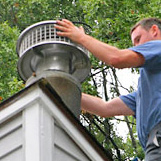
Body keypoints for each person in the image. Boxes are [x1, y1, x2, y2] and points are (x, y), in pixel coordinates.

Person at [55, 18, 161, 161]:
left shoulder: (158, 46)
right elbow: (104, 108)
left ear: (154, 30)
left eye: (138, 39)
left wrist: (81, 38)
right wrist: (60, 87)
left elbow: (117, 58)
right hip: (152, 144)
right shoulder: (148, 94)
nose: (136, 46)